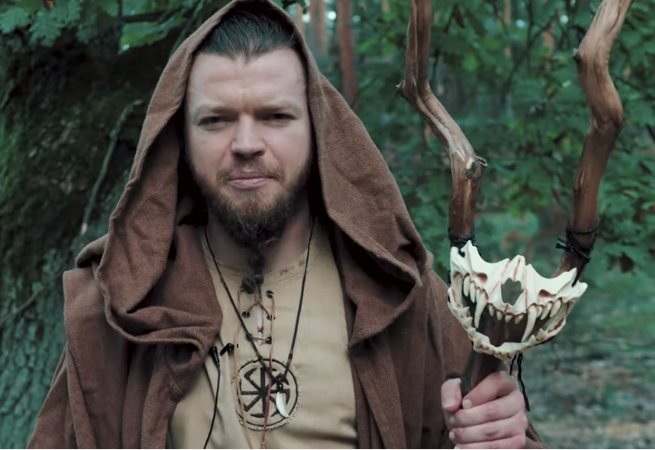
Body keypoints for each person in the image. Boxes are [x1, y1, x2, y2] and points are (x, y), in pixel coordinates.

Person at [28, 0, 545, 448]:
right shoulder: (120, 303)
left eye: (275, 116)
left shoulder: (399, 295)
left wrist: (500, 435)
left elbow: (492, 434)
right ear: (180, 140)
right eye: (216, 120)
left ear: (318, 131)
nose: (246, 144)